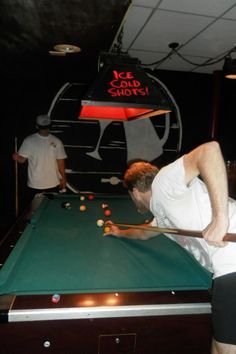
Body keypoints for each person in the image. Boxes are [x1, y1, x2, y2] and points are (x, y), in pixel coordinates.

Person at [104, 141, 236, 354]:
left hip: (232, 260)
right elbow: (144, 232)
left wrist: (220, 219)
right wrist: (119, 232)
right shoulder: (163, 210)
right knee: (218, 346)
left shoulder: (163, 181)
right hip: (227, 266)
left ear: (135, 192)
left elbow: (210, 150)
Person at [13, 114, 67, 202]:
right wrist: (16, 157)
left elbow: (61, 161)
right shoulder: (29, 141)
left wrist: (64, 180)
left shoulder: (56, 141)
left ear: (37, 126)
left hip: (52, 183)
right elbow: (22, 160)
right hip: (35, 184)